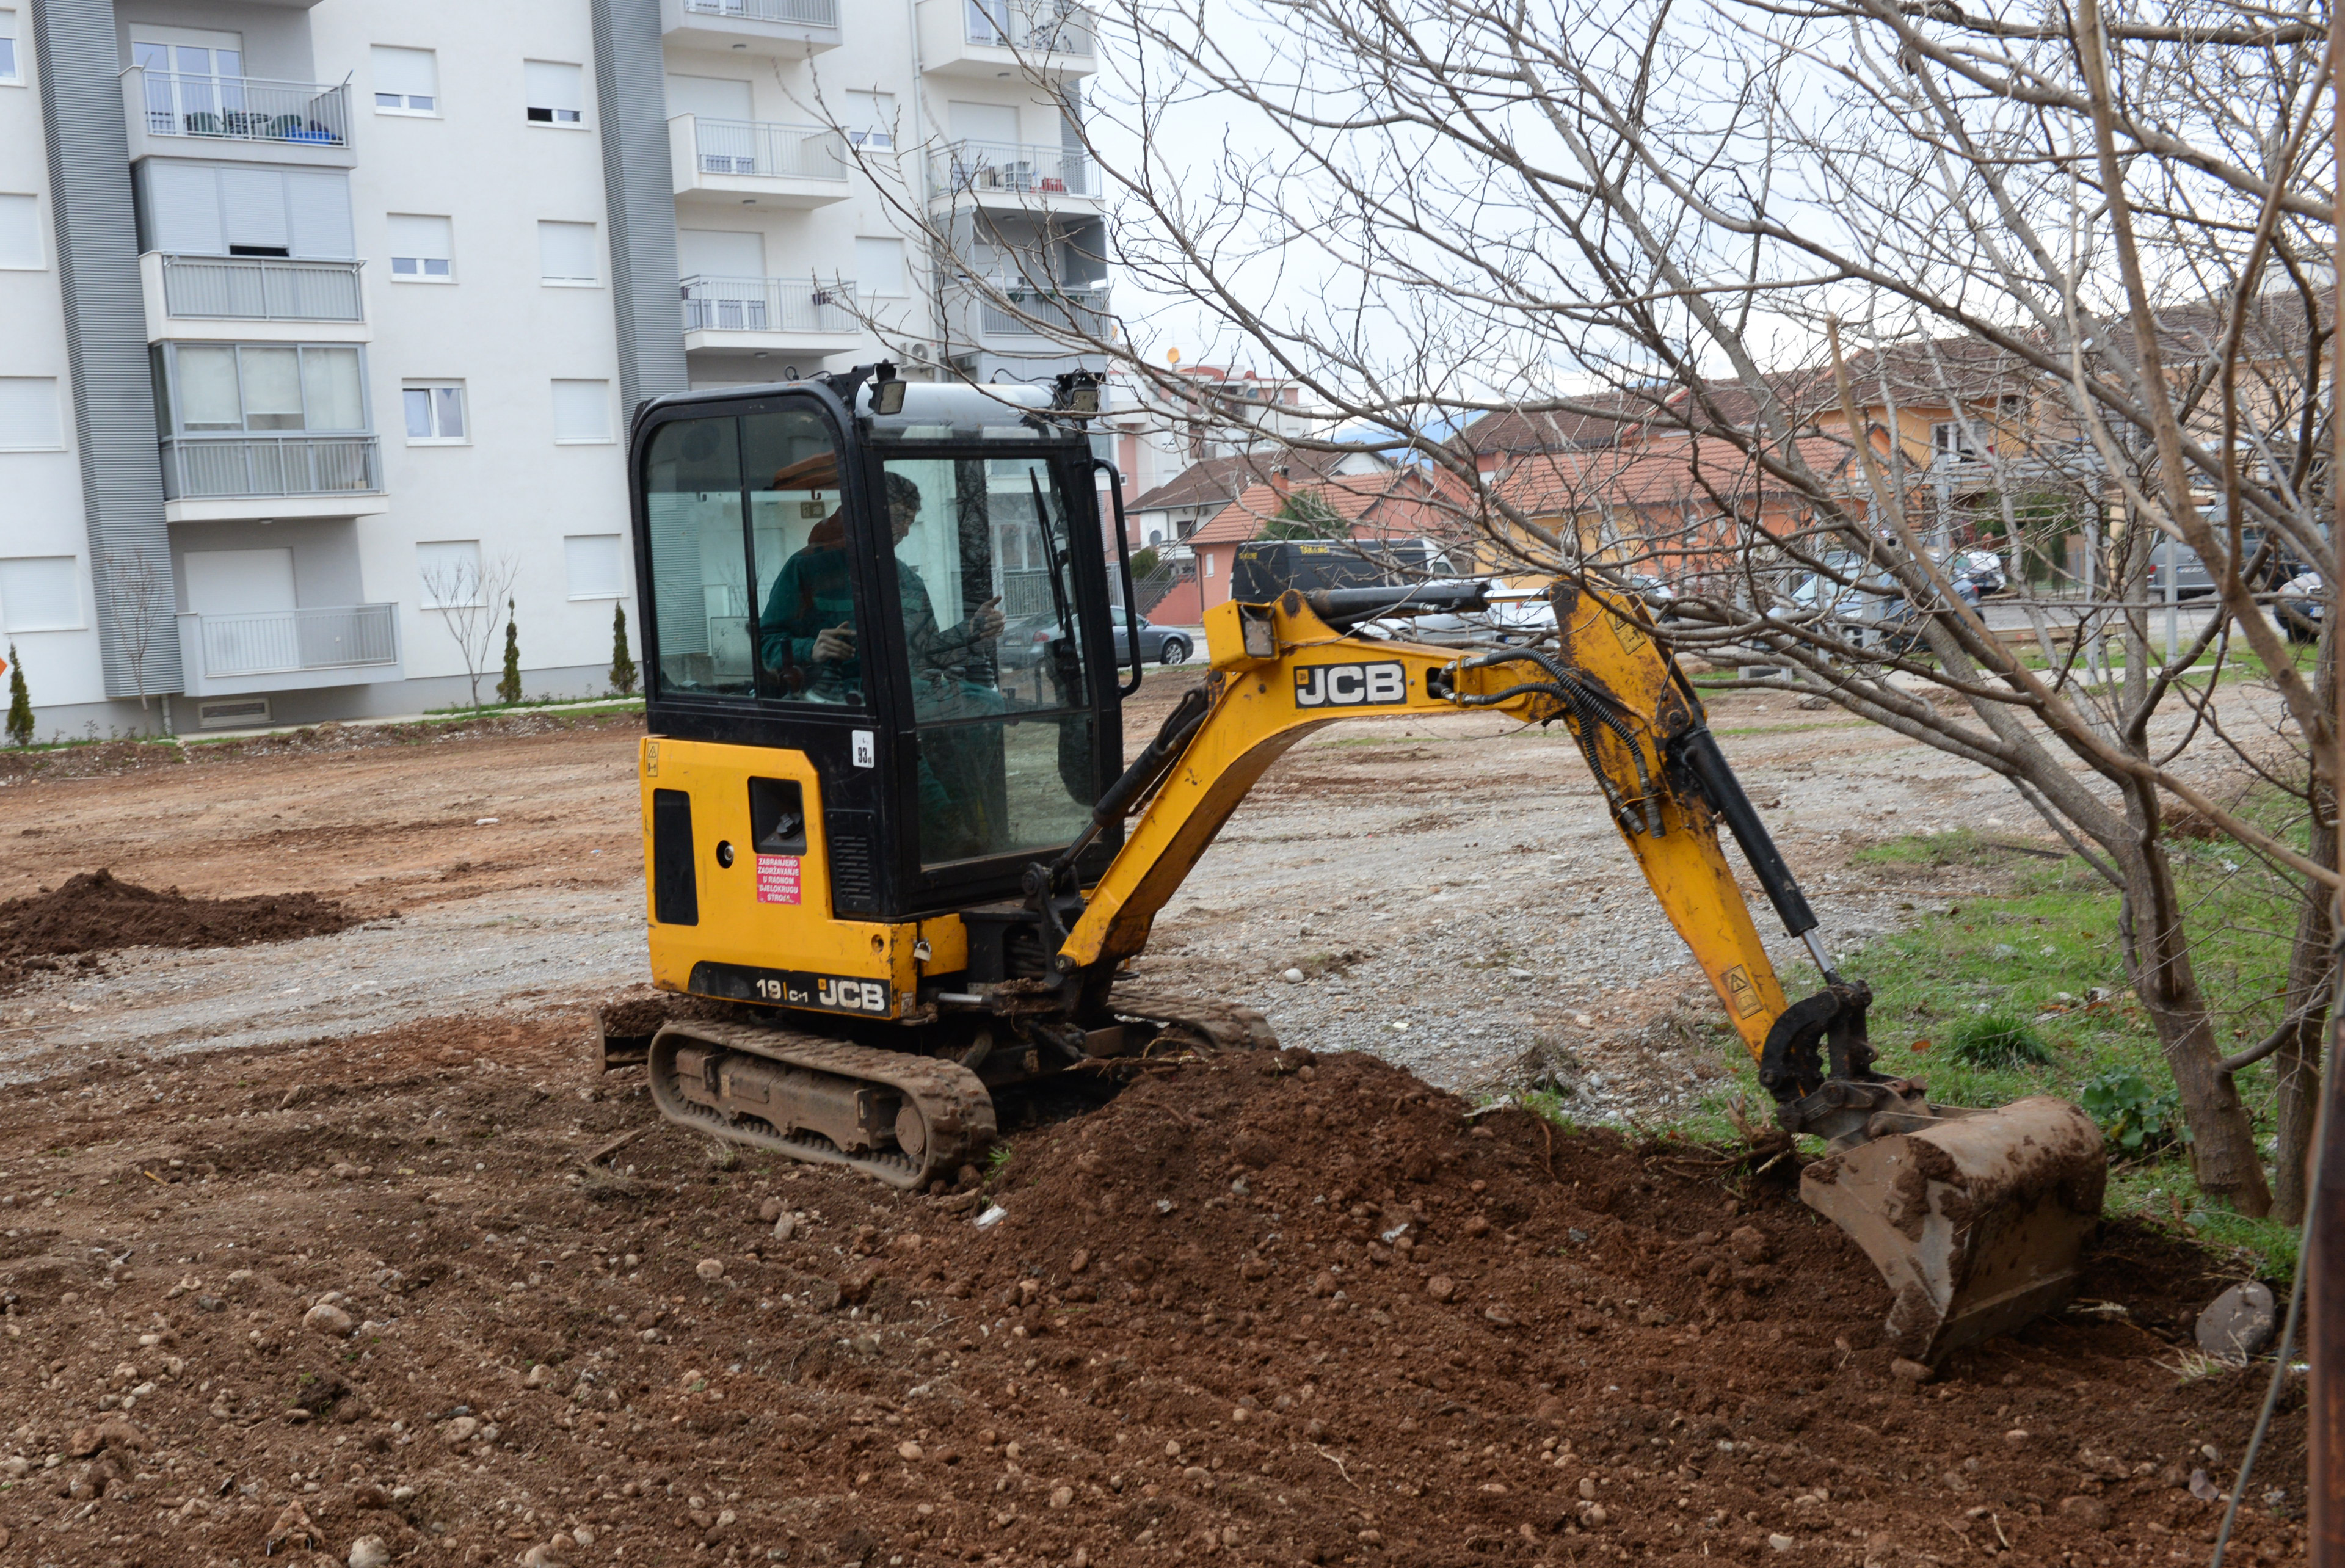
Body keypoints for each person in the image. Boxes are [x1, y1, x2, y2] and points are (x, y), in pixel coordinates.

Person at [758, 471, 1005, 703]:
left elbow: (926, 651)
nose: (905, 531)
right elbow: (765, 644)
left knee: (988, 702)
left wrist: (970, 630)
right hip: (832, 701)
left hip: (902, 700)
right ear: (866, 514)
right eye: (898, 518)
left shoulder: (909, 581)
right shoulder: (807, 568)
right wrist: (810, 649)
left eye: (909, 521)